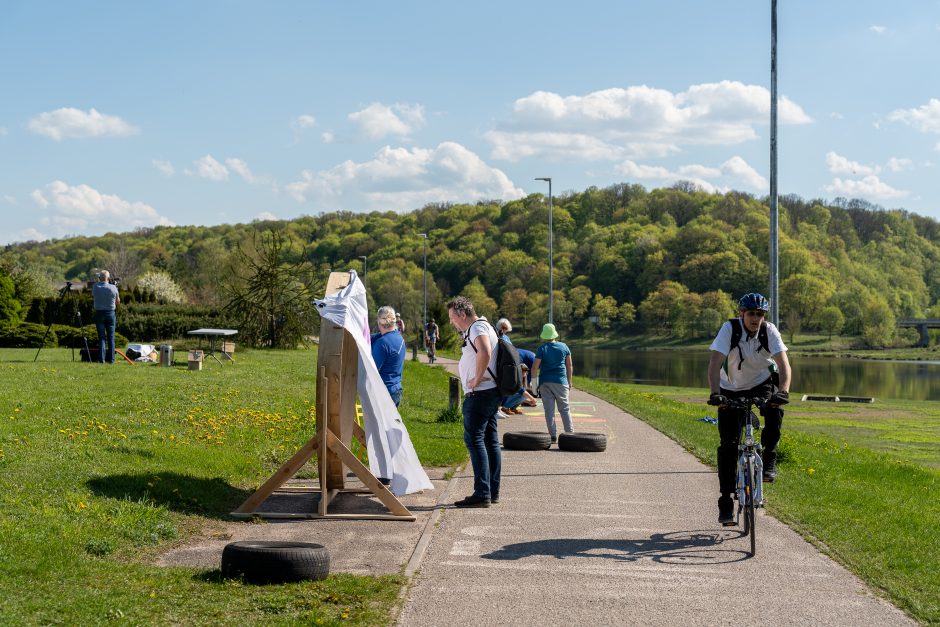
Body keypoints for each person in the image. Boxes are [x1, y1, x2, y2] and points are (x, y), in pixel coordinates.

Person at [707, 292, 791, 527]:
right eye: (752, 314)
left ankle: (770, 456)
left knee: (775, 408)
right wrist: (716, 394)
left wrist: (783, 391)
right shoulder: (729, 329)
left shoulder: (769, 331)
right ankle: (725, 501)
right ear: (742, 314)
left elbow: (784, 365)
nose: (756, 319)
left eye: (760, 314)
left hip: (761, 382)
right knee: (728, 445)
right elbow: (714, 364)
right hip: (730, 387)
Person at [448, 295, 500, 508]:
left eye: (452, 317)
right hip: (490, 393)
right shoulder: (485, 325)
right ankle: (491, 491)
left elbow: (485, 351)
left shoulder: (477, 328)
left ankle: (482, 493)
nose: (451, 322)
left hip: (479, 394)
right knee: (490, 441)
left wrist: (475, 380)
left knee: (475, 441)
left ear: (462, 314)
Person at [532, 323, 574, 443]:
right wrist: (570, 381)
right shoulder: (564, 347)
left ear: (544, 335)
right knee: (565, 409)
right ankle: (570, 434)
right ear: (555, 333)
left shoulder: (542, 348)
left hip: (545, 382)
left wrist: (534, 386)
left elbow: (535, 368)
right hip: (561, 381)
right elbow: (569, 365)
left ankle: (552, 436)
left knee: (549, 411)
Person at [371, 306, 407, 406]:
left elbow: (371, 370)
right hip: (396, 390)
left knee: (378, 422)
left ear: (379, 322)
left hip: (384, 393)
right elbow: (374, 337)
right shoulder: (399, 337)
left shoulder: (382, 343)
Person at [92, 270, 120, 364]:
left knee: (101, 337)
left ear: (100, 278)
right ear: (108, 278)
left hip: (99, 313)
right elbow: (118, 301)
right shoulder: (113, 287)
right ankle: (111, 360)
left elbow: (96, 292)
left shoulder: (95, 287)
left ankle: (101, 359)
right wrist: (114, 286)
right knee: (111, 338)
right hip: (110, 313)